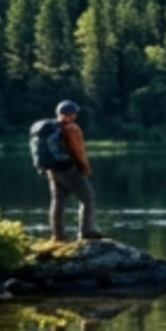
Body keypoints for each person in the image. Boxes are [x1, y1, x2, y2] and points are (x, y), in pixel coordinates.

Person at [31, 100, 99, 243]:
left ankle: (58, 235)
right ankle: (87, 232)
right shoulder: (71, 128)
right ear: (71, 114)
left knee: (58, 201)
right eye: (74, 113)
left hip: (52, 170)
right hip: (68, 168)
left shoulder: (47, 128)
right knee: (88, 198)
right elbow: (77, 151)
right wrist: (84, 167)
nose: (75, 116)